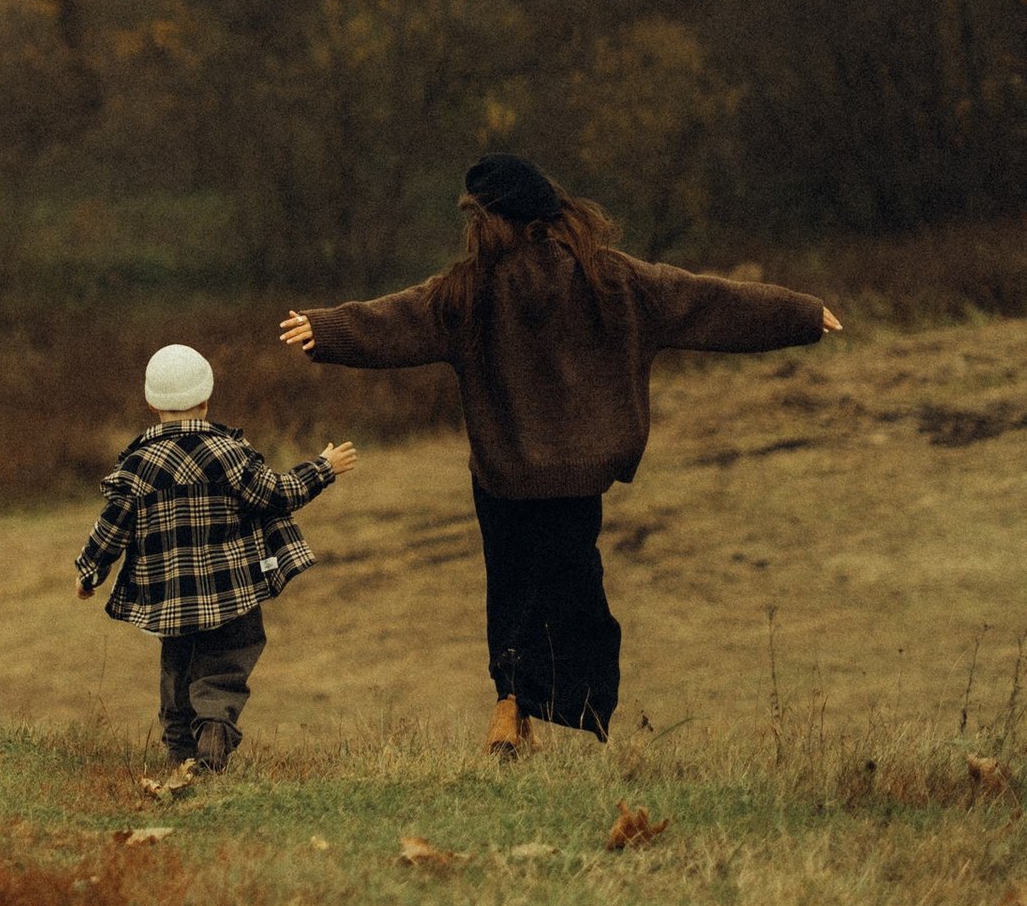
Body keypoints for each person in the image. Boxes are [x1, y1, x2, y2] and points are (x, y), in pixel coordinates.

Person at [282, 152, 839, 754]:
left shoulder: (471, 290)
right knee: (575, 582)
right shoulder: (614, 279)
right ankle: (555, 709)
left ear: (493, 221)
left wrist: (327, 329)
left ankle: (512, 705)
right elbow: (706, 302)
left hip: (504, 475)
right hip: (581, 475)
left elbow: (398, 319)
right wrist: (801, 314)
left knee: (513, 586)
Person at [74, 342, 358, 771]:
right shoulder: (229, 453)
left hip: (169, 600)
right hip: (232, 593)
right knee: (227, 661)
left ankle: (180, 754)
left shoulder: (136, 465)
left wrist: (89, 572)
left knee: (177, 670)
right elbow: (277, 493)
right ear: (206, 399)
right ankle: (214, 728)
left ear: (151, 405)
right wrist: (323, 467)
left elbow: (111, 530)